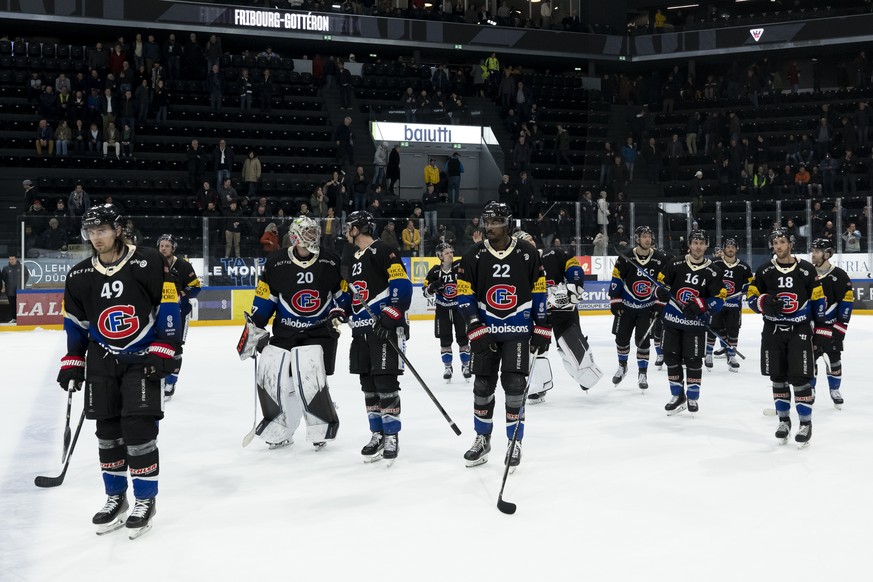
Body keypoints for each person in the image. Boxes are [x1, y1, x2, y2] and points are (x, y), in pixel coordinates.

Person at [56, 204, 181, 537]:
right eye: (91, 232)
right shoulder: (80, 275)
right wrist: (72, 360)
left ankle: (145, 500)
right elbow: (76, 324)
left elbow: (169, 307)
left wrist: (165, 348)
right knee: (108, 432)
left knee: (138, 430)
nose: (97, 238)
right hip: (102, 359)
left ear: (118, 230)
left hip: (142, 358)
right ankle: (116, 497)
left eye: (103, 231)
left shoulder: (150, 261)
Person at [237, 216, 347, 450]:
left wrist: (342, 310)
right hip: (285, 331)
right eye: (306, 232)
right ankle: (279, 425)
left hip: (319, 330)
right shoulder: (276, 262)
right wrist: (256, 325)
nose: (311, 236)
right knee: (272, 373)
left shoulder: (330, 261)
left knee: (308, 373)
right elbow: (265, 297)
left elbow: (343, 295)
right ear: (295, 236)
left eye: (313, 232)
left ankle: (320, 424)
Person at [456, 202, 550, 469]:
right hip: (485, 333)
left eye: (495, 222)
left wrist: (541, 326)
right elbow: (464, 295)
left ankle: (514, 441)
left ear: (507, 223)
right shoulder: (473, 254)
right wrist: (475, 326)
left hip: (517, 331)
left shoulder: (528, 253)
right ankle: (482, 439)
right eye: (486, 222)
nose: (489, 227)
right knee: (482, 388)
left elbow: (540, 291)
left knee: (515, 387)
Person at [339, 211, 412, 463]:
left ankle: (392, 435)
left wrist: (389, 317)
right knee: (368, 386)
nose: (347, 230)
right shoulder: (351, 257)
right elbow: (349, 293)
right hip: (360, 331)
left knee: (385, 384)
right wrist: (340, 310)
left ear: (359, 228)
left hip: (384, 329)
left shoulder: (383, 250)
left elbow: (401, 286)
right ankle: (377, 433)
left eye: (350, 226)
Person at [746, 227, 826, 447]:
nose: (778, 246)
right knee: (778, 377)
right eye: (775, 242)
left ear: (790, 244)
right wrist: (763, 302)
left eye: (782, 242)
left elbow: (819, 303)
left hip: (799, 331)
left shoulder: (807, 270)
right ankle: (783, 421)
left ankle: (805, 423)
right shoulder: (764, 271)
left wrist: (821, 334)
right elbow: (751, 299)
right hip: (772, 331)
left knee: (800, 378)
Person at [514, 231, 602, 404]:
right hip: (537, 315)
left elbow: (574, 268)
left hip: (563, 310)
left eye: (531, 238)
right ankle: (539, 387)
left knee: (570, 347)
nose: (531, 242)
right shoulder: (517, 268)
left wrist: (575, 286)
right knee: (537, 350)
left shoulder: (552, 254)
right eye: (525, 241)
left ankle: (585, 374)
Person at [654, 230, 726, 415]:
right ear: (689, 244)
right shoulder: (675, 264)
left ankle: (693, 396)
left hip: (695, 325)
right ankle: (677, 395)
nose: (698, 246)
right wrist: (660, 292)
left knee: (693, 361)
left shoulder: (714, 271)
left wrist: (701, 304)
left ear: (706, 245)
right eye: (695, 242)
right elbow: (660, 286)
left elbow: (719, 300)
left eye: (702, 243)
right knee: (671, 359)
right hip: (671, 321)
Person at [608, 226, 670, 391]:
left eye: (649, 236)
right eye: (644, 236)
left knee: (642, 342)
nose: (647, 239)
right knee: (621, 339)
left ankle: (642, 373)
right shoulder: (626, 256)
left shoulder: (659, 258)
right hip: (626, 308)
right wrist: (615, 300)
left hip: (647, 309)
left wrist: (659, 303)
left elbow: (663, 285)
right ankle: (622, 366)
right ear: (637, 238)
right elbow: (617, 278)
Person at [809, 238, 852, 411]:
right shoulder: (806, 273)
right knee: (809, 361)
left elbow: (846, 303)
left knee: (834, 361)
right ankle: (809, 390)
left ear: (827, 254)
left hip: (830, 327)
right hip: (810, 327)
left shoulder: (839, 275)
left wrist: (840, 329)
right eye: (813, 250)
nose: (813, 254)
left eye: (817, 251)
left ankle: (835, 390)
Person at [156, 234, 201, 398]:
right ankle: (158, 378)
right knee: (156, 345)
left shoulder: (183, 266)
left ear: (173, 248)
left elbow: (196, 287)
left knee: (175, 349)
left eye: (167, 246)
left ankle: (170, 383)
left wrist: (181, 294)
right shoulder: (153, 264)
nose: (164, 248)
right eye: (161, 245)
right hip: (157, 313)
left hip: (179, 314)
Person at [424, 243, 471, 382]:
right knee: (445, 340)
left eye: (451, 252)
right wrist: (432, 288)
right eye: (447, 253)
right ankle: (448, 367)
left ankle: (466, 365)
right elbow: (425, 293)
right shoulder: (434, 271)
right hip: (442, 310)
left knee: (463, 338)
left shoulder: (458, 266)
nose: (450, 254)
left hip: (459, 309)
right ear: (440, 256)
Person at [705, 238, 752, 372]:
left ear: (737, 249)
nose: (730, 249)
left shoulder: (743, 267)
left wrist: (748, 288)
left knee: (733, 330)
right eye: (728, 247)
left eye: (733, 247)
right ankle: (708, 354)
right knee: (713, 328)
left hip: (734, 306)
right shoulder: (715, 263)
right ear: (724, 249)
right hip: (717, 304)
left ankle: (731, 356)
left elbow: (749, 283)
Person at [1, 254, 28, 323]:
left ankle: (21, 317)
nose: (11, 261)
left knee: (20, 304)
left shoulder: (22, 267)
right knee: (12, 305)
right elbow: (3, 278)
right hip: (10, 290)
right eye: (10, 259)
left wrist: (22, 285)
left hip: (19, 290)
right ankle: (14, 318)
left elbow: (26, 276)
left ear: (16, 259)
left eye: (12, 259)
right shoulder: (5, 268)